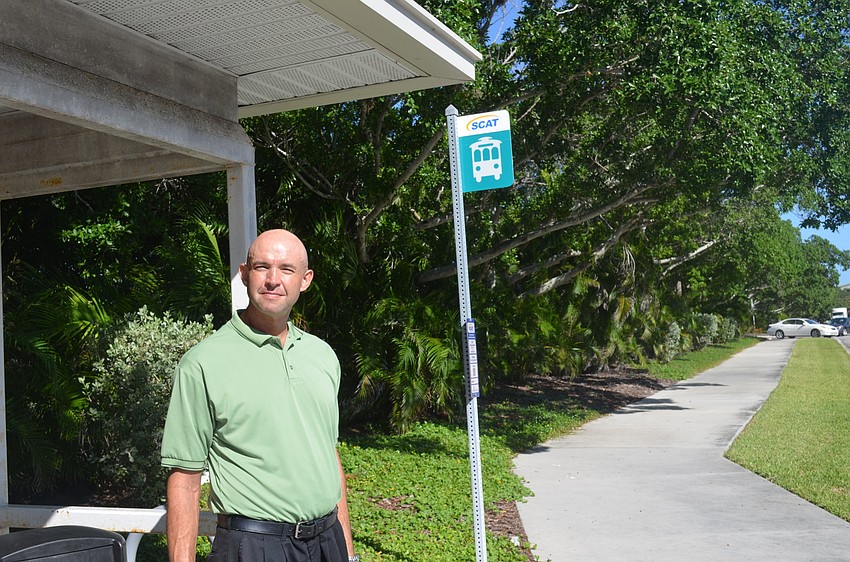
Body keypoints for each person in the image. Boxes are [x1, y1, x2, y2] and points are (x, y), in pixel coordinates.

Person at [161, 229, 358, 562]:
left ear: (305, 280)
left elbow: (328, 455)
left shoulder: (322, 356)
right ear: (243, 274)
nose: (273, 279)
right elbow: (184, 477)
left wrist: (348, 554)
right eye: (262, 267)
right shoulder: (203, 364)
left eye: (286, 269)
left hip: (327, 543)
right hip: (253, 547)